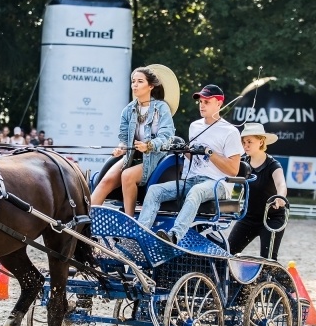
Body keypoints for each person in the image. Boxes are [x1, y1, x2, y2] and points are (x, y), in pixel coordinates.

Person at [138, 84, 242, 245]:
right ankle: (141, 236)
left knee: (196, 192)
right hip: (192, 179)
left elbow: (234, 170)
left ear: (219, 103)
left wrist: (209, 152)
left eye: (207, 102)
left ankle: (174, 236)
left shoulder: (230, 132)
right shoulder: (195, 126)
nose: (202, 105)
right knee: (154, 190)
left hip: (218, 184)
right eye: (200, 102)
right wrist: (182, 148)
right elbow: (191, 157)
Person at [91, 66, 175, 216]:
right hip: (131, 157)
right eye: (133, 81)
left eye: (140, 81)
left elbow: (167, 138)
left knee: (127, 175)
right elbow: (124, 139)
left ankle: (129, 221)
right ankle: (85, 220)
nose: (134, 85)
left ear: (150, 86)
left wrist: (149, 146)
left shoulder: (162, 108)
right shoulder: (128, 110)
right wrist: (121, 148)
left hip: (155, 157)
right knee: (105, 181)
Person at [227, 123, 288, 259]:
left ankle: (274, 279)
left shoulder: (273, 164)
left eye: (249, 142)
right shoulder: (242, 163)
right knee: (227, 252)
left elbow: (281, 184)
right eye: (243, 142)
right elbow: (234, 187)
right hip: (248, 217)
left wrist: (280, 197)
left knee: (268, 258)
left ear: (261, 141)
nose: (245, 145)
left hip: (272, 218)